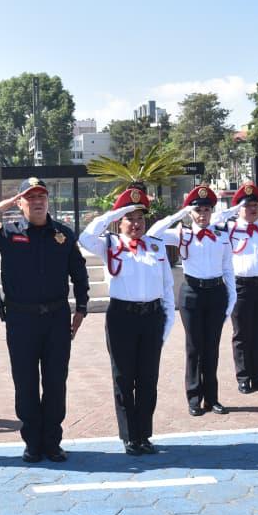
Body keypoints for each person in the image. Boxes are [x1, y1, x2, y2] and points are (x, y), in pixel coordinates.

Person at [0, 177, 89, 463]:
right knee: (26, 383)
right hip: (21, 320)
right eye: (30, 197)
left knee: (56, 382)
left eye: (41, 196)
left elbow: (79, 275)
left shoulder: (64, 235)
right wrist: (0, 205)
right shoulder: (7, 233)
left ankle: (52, 442)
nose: (37, 202)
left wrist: (80, 309)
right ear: (19, 203)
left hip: (57, 320)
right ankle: (33, 442)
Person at [79, 187, 175, 454]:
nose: (136, 224)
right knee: (123, 378)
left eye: (140, 218)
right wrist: (114, 212)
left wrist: (166, 326)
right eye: (129, 218)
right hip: (122, 317)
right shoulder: (109, 244)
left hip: (152, 317)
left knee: (148, 379)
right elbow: (85, 237)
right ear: (119, 222)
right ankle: (129, 436)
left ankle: (144, 435)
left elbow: (167, 288)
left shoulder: (155, 246)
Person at [147, 185, 235, 417]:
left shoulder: (222, 236)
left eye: (207, 210)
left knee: (212, 347)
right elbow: (153, 233)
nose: (203, 214)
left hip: (216, 293)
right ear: (191, 213)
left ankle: (212, 398)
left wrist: (231, 298)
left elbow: (228, 269)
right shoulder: (181, 234)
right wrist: (179, 214)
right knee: (194, 347)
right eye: (198, 210)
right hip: (192, 293)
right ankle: (194, 398)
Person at [217, 183, 258, 395]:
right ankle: (244, 377)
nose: (252, 209)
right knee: (242, 334)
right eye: (246, 205)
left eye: (255, 205)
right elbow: (215, 220)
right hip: (241, 287)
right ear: (238, 208)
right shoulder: (228, 229)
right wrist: (231, 212)